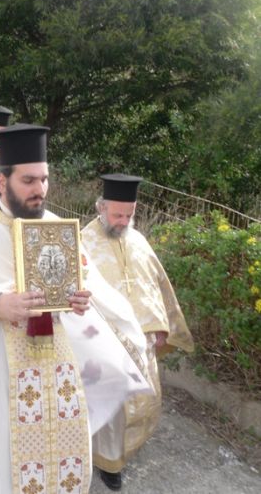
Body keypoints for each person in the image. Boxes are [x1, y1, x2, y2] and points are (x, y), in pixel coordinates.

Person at [0, 124, 153, 494]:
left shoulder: (55, 229)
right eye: (29, 181)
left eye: (44, 179)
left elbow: (85, 284)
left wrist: (80, 300)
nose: (40, 189)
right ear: (2, 182)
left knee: (57, 454)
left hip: (54, 365)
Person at [81, 173, 194, 491]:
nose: (123, 221)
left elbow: (155, 287)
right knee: (111, 405)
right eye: (117, 215)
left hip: (142, 340)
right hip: (102, 340)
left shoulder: (138, 240)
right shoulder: (83, 243)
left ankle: (123, 453)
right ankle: (107, 461)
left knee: (142, 401)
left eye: (129, 215)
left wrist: (161, 327)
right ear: (101, 208)